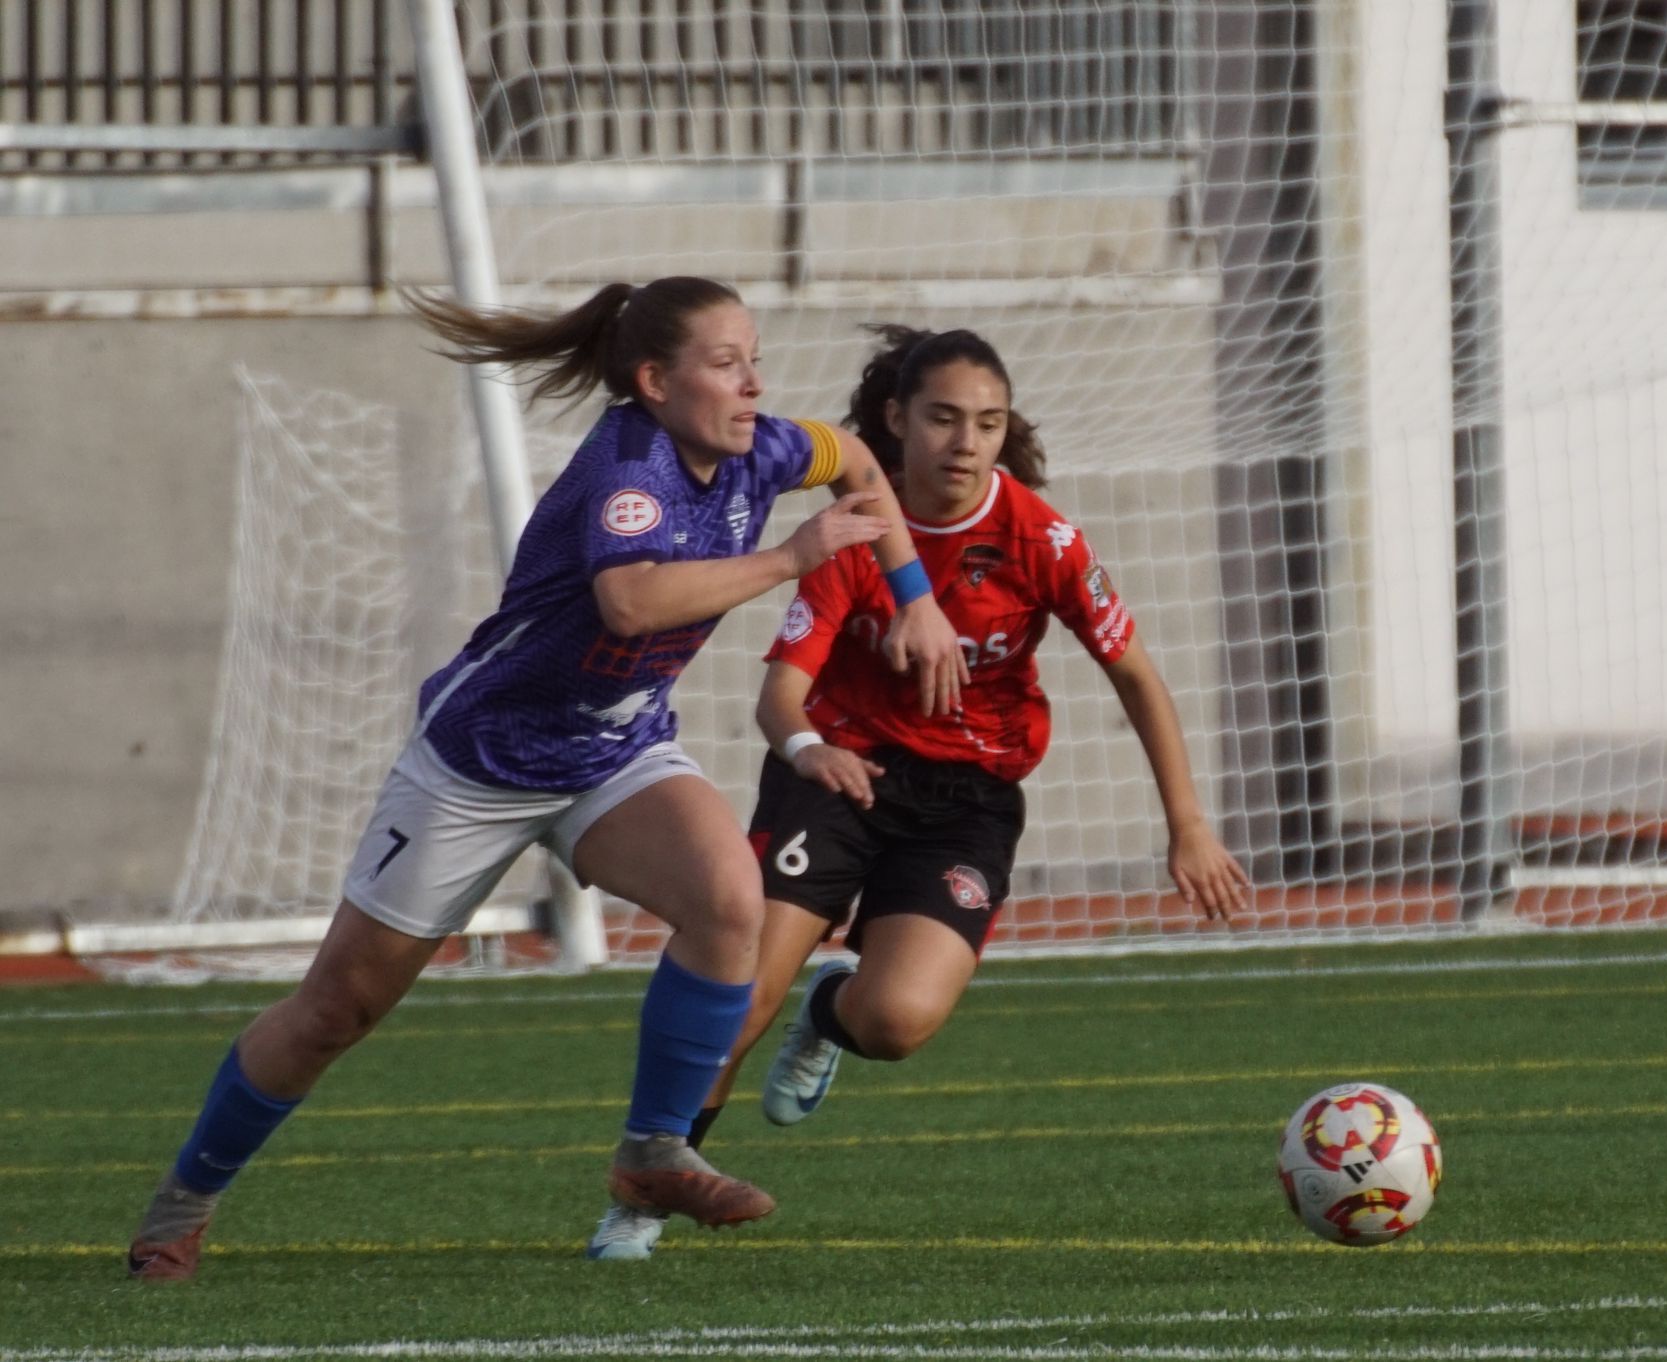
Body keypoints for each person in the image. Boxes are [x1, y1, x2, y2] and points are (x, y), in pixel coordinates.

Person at [125, 278, 969, 1280]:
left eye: (754, 358)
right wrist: (790, 556)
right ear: (654, 382)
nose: (753, 383)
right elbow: (628, 601)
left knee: (728, 901)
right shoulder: (630, 465)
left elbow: (860, 460)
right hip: (481, 762)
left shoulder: (762, 446)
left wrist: (914, 596)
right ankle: (183, 1201)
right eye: (725, 362)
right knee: (334, 1012)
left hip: (612, 751)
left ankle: (652, 1152)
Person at [587, 325, 1252, 1256]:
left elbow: (1137, 676)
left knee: (895, 1022)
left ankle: (832, 1010)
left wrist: (1188, 828)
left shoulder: (1042, 538)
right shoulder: (859, 530)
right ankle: (641, 1201)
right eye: (942, 418)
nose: (966, 442)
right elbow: (779, 697)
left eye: (987, 422)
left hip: (968, 799)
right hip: (839, 774)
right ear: (895, 421)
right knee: (738, 1001)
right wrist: (813, 748)